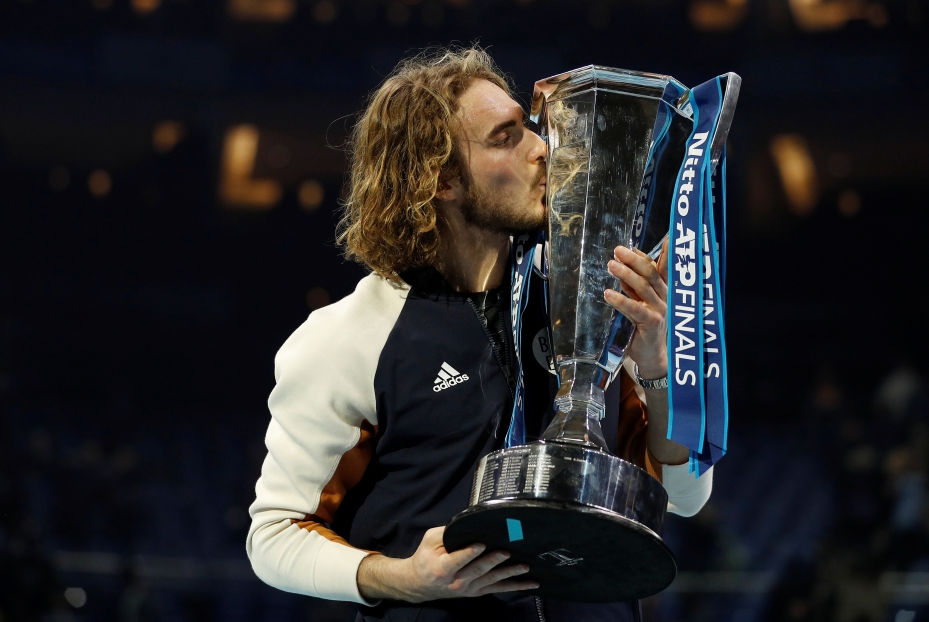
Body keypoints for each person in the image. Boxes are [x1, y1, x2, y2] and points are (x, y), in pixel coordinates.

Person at [246, 46, 714, 622]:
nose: (544, 149)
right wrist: (404, 580)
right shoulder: (349, 336)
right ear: (442, 179)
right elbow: (272, 538)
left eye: (532, 129)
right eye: (506, 137)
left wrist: (659, 371)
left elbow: (685, 499)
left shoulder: (588, 300)